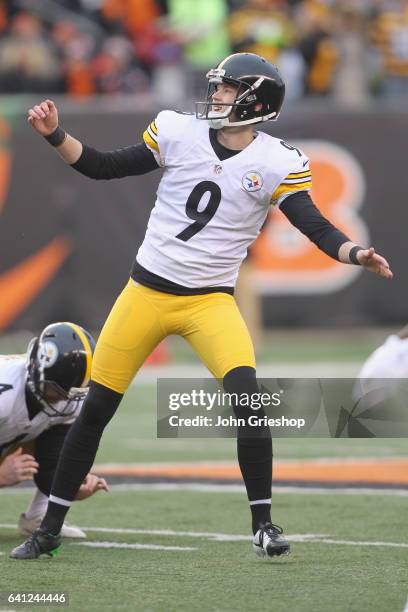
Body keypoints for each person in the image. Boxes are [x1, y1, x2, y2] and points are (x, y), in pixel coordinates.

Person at [11, 52, 392, 560]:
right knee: (95, 410)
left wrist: (354, 253)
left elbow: (312, 223)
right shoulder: (177, 131)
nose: (215, 96)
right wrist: (57, 135)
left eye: (226, 89)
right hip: (146, 293)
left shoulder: (277, 161)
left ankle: (263, 524)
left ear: (253, 102)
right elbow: (103, 166)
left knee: (250, 405)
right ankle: (49, 527)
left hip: (209, 303)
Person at [1, 322, 108, 540]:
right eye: (56, 390)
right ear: (35, 369)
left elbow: (52, 463)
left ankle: (37, 516)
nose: (64, 399)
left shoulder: (69, 398)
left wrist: (71, 485)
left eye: (71, 393)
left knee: (73, 450)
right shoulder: (5, 394)